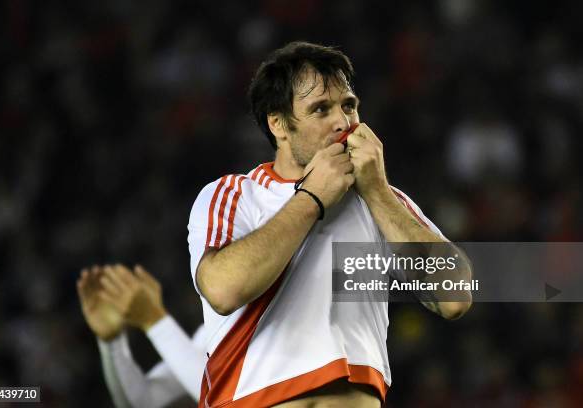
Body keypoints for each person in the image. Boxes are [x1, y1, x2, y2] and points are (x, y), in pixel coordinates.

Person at [187, 41, 473, 407]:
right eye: (320, 109)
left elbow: (455, 297)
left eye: (349, 105)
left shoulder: (384, 201)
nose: (343, 122)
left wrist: (378, 193)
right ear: (278, 123)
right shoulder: (235, 194)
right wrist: (311, 199)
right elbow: (224, 290)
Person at [77, 264, 205, 407]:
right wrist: (113, 344)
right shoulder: (208, 334)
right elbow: (144, 402)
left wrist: (155, 321)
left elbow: (224, 398)